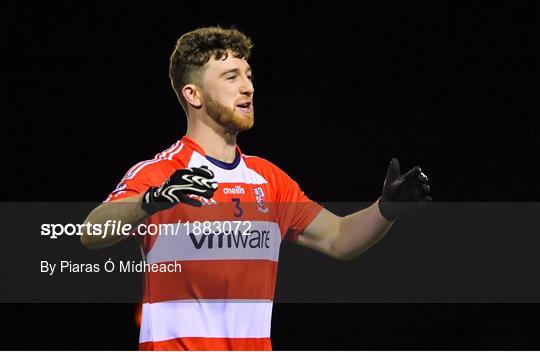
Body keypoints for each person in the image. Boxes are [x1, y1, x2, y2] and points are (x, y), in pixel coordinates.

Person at [81, 26, 431, 351]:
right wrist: (151, 201)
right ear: (193, 94)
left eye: (248, 76)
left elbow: (338, 238)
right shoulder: (163, 172)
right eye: (231, 77)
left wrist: (385, 210)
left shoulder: (269, 180)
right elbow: (92, 231)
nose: (247, 87)